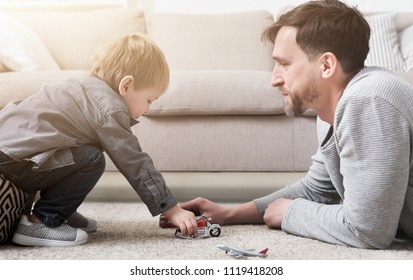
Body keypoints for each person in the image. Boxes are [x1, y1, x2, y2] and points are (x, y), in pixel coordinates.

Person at [181, 0, 413, 249]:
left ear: (326, 65)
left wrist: (292, 212)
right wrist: (230, 214)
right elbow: (316, 189)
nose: (273, 79)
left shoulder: (366, 100)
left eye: (284, 63)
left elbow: (369, 229)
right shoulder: (334, 109)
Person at [0, 34, 198, 247]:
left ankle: (61, 210)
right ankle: (41, 221)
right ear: (126, 85)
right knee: (92, 158)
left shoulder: (83, 88)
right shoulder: (110, 108)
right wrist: (171, 209)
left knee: (83, 147)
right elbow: (135, 162)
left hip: (12, 154)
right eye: (149, 100)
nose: (148, 109)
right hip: (15, 162)